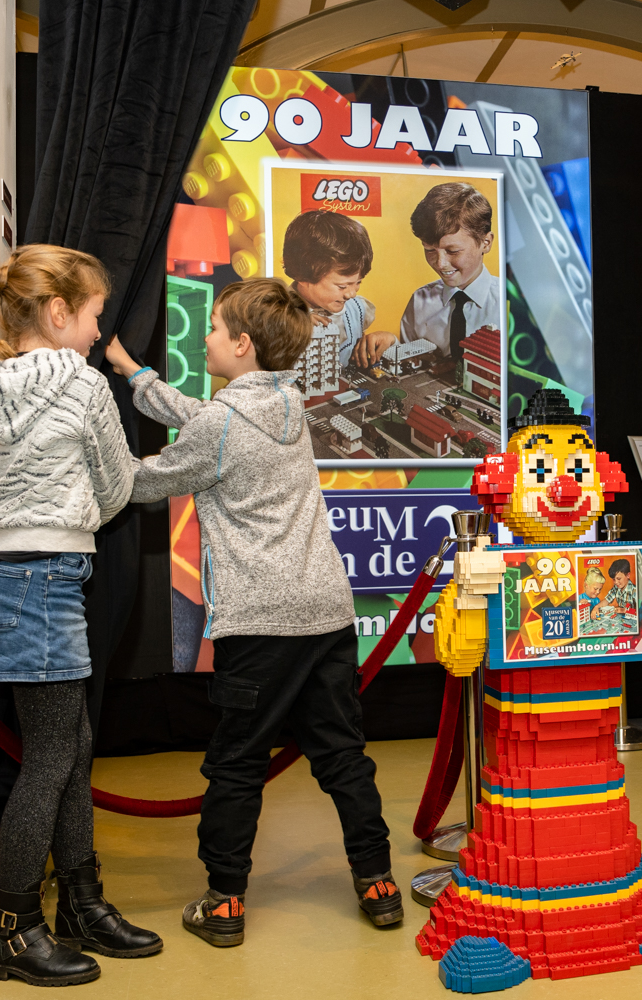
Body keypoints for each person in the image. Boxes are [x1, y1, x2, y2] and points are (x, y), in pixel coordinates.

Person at [102, 278, 402, 946]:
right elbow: (205, 418)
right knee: (342, 754)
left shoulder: (220, 424)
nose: (204, 337)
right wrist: (134, 373)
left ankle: (225, 902)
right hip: (324, 613)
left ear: (240, 345)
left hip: (260, 623)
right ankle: (378, 882)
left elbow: (143, 481)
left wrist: (90, 442)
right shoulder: (290, 403)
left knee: (236, 762)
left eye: (212, 329)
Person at [0, 244, 161, 987]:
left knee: (69, 744)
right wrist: (63, 516)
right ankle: (14, 927)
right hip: (52, 576)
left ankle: (81, 904)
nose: (99, 333)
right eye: (95, 316)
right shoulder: (86, 386)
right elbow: (117, 487)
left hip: (3, 579)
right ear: (61, 313)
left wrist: (13, 503)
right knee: (51, 761)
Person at [357, 182, 501, 369]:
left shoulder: (506, 306)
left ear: (486, 243)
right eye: (429, 250)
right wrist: (394, 344)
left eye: (453, 250)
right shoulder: (420, 302)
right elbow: (413, 363)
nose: (440, 264)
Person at [281, 209, 380, 371]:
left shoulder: (356, 309)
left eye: (358, 282)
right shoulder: (272, 314)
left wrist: (388, 340)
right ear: (303, 277)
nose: (351, 293)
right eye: (342, 286)